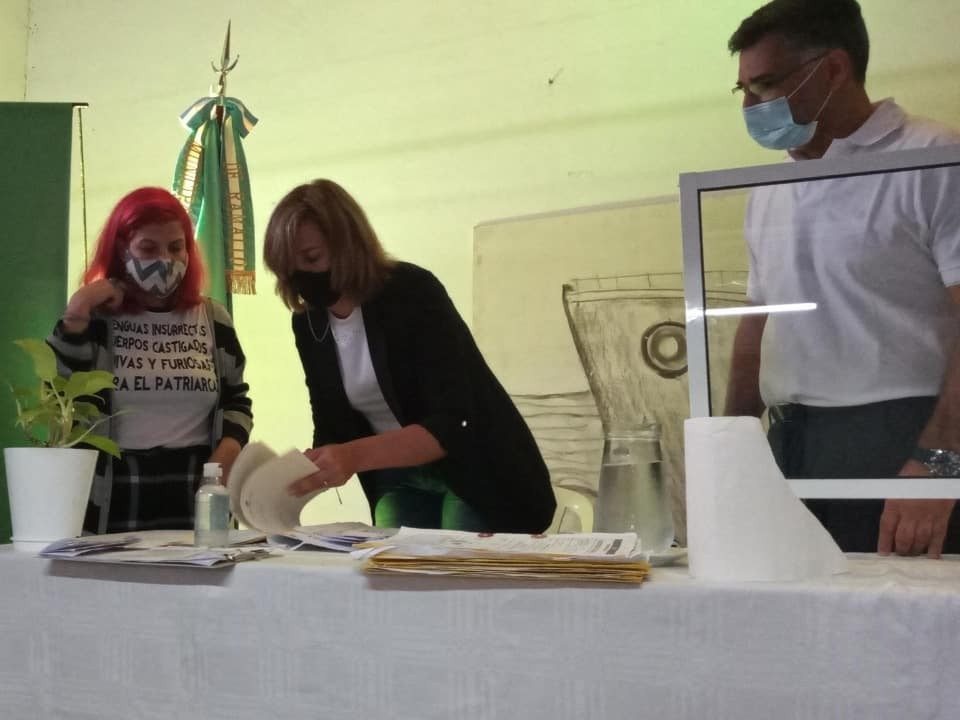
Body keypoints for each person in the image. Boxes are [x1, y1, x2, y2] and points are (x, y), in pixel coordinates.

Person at [723, 0, 960, 557]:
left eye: (765, 85)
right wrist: (726, 452)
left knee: (904, 608)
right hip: (791, 441)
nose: (751, 107)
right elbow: (756, 328)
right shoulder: (770, 189)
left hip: (905, 438)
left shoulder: (932, 158)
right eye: (743, 91)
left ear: (832, 69)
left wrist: (941, 462)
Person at [262, 179, 555, 533]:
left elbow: (451, 423)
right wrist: (303, 470)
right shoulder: (309, 324)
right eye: (289, 269)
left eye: (312, 258)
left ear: (347, 242)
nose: (302, 278)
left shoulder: (412, 292)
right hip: (396, 475)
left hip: (475, 469)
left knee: (456, 562)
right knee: (393, 563)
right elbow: (331, 421)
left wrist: (352, 456)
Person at [47, 187, 253, 534]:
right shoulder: (97, 321)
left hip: (197, 485)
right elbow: (61, 396)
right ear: (121, 249)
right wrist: (79, 306)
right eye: (148, 248)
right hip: (114, 489)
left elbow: (237, 402)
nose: (165, 260)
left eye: (176, 247)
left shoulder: (213, 318)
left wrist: (222, 463)